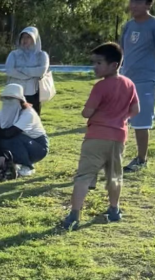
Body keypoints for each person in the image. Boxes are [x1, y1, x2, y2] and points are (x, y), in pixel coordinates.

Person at [62, 43, 139, 230]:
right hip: (118, 137)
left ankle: (74, 215)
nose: (94, 67)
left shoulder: (101, 86)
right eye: (93, 63)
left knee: (84, 176)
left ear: (114, 65)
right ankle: (114, 209)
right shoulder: (129, 84)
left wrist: (91, 113)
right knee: (115, 175)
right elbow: (136, 109)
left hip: (96, 136)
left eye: (98, 63)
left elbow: (87, 112)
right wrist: (121, 118)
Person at [120, 0, 155, 173]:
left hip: (146, 80)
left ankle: (141, 159)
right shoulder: (128, 25)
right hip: (126, 79)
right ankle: (116, 155)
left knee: (141, 122)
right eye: (132, 1)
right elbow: (121, 52)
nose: (133, 5)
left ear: (148, 4)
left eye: (138, 2)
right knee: (120, 120)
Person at [0, 83, 49, 178]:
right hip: (20, 143)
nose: (8, 101)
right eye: (6, 98)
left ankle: (27, 166)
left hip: (37, 148)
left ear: (20, 101)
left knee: (11, 139)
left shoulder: (28, 114)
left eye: (11, 99)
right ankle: (7, 164)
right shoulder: (2, 112)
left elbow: (9, 133)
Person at [5, 26, 50, 115]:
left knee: (32, 118)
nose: (25, 39)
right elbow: (9, 70)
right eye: (23, 37)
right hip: (15, 92)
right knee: (15, 118)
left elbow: (41, 71)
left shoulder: (42, 55)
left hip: (33, 93)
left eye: (28, 37)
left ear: (35, 38)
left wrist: (21, 69)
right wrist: (30, 75)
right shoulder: (13, 54)